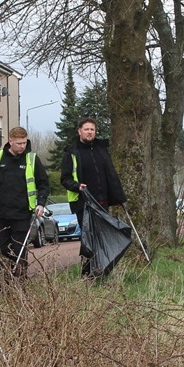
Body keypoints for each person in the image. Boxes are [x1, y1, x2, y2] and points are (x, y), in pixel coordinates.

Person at [0, 126, 50, 278]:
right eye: (19, 143)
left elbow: (43, 184)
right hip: (1, 214)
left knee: (19, 251)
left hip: (22, 215)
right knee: (3, 250)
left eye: (24, 142)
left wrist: (40, 203)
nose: (22, 146)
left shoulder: (32, 159)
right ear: (10, 141)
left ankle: (20, 282)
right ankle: (7, 280)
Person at [61, 118, 127, 277]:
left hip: (102, 202)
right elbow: (65, 178)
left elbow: (111, 174)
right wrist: (77, 187)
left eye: (92, 129)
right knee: (88, 239)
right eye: (86, 129)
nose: (90, 132)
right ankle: (87, 275)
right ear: (79, 131)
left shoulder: (101, 150)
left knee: (103, 238)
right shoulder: (72, 152)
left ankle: (102, 271)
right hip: (83, 203)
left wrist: (118, 197)